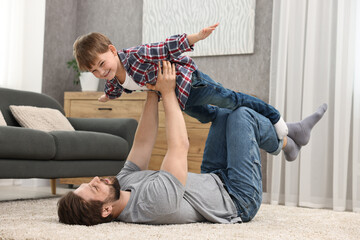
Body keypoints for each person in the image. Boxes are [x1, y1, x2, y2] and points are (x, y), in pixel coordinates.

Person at [57, 61, 328, 226]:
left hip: (214, 176)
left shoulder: (121, 185)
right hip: (238, 199)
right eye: (93, 187)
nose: (96, 179)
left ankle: (290, 142)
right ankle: (289, 141)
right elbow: (180, 146)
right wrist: (167, 92)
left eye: (90, 181)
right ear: (106, 210)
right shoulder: (152, 205)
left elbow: (142, 143)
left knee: (226, 112)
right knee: (243, 115)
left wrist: (151, 93)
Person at [72, 24, 288, 140]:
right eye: (94, 71)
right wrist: (107, 96)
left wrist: (196, 37)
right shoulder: (112, 77)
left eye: (101, 64)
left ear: (112, 50)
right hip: (178, 98)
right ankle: (233, 121)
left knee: (231, 99)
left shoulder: (137, 55)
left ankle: (273, 116)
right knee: (206, 116)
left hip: (190, 83)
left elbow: (166, 47)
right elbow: (115, 87)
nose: (100, 72)